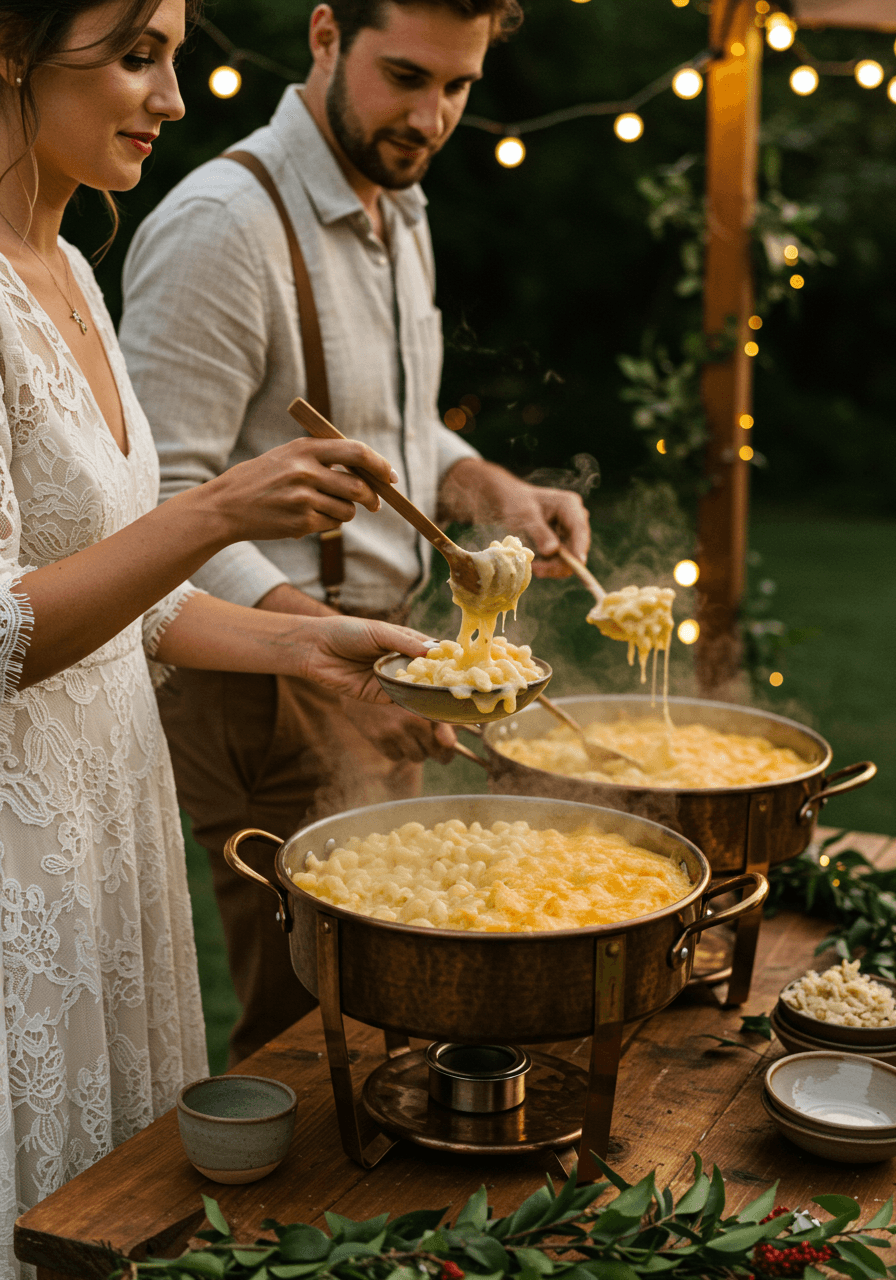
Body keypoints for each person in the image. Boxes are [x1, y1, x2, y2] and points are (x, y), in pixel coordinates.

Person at [0, 0, 446, 1269]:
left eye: (175, 57)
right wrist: (211, 509)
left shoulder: (75, 269)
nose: (175, 97)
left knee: (119, 1208)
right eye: (137, 57)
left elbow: (127, 604)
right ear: (9, 57)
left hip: (112, 829)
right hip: (15, 856)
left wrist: (301, 646)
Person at [119, 0, 592, 1066]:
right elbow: (156, 500)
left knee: (404, 983)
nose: (430, 117)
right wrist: (316, 640)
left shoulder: (396, 204)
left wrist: (492, 491)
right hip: (260, 677)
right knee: (311, 1018)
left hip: (388, 650)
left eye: (458, 87)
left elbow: (395, 427)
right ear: (325, 35)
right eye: (406, 76)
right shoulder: (220, 228)